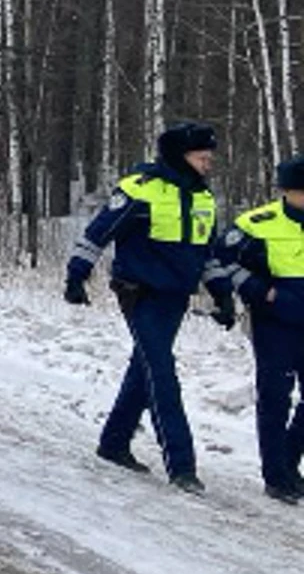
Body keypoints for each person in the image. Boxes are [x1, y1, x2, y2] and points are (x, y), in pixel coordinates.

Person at [65, 120, 236, 494]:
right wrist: (76, 275)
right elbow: (98, 233)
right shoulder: (140, 190)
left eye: (210, 157)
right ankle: (181, 465)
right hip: (138, 291)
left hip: (175, 296)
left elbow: (206, 254)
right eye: (201, 157)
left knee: (144, 368)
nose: (208, 163)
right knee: (161, 371)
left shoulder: (204, 198)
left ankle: (113, 442)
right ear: (180, 155)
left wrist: (223, 294)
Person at [217, 155, 304, 504]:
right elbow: (220, 258)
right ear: (287, 191)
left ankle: (287, 462)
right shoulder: (257, 224)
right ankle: (276, 477)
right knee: (275, 396)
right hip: (275, 322)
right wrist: (259, 291)